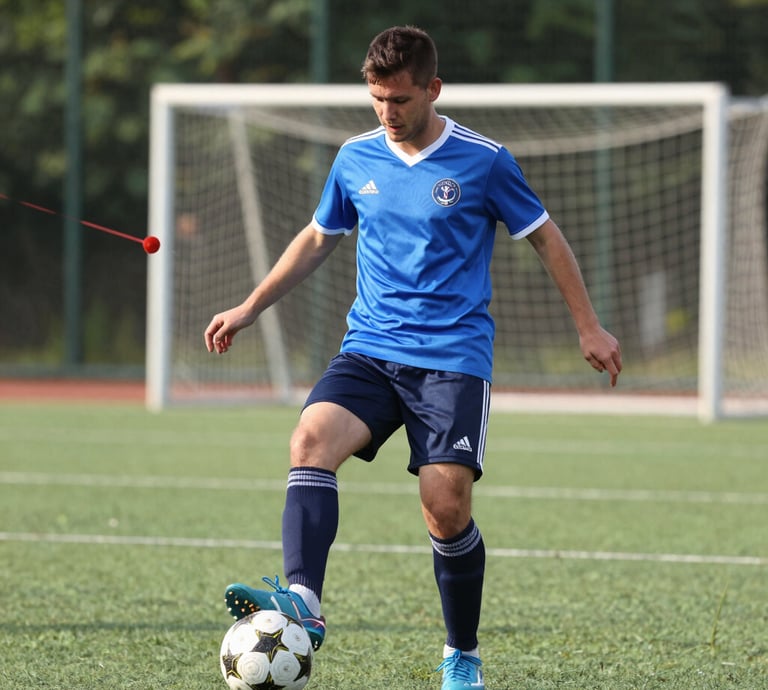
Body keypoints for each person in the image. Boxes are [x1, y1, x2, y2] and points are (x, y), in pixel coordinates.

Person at [204, 25, 622, 690]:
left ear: (432, 89)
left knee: (445, 504)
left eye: (398, 99)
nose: (386, 112)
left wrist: (589, 326)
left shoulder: (483, 161)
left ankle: (462, 654)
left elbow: (545, 238)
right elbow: (318, 238)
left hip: (452, 358)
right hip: (370, 348)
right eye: (376, 98)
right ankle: (304, 605)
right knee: (310, 439)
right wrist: (250, 306)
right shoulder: (355, 159)